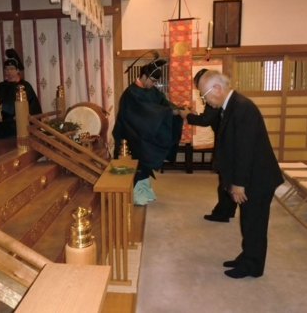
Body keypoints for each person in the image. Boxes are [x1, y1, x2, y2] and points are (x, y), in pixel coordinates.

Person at [197, 70, 283, 279]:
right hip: (252, 176)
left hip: (257, 179)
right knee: (248, 221)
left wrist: (238, 184)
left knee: (254, 223)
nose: (204, 100)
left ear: (217, 88)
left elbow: (245, 150)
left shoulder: (242, 108)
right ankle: (247, 257)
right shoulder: (232, 106)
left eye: (203, 94)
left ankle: (253, 266)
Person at [112, 50, 183, 205]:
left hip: (142, 132)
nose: (153, 84)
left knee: (145, 162)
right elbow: (146, 110)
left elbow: (163, 103)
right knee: (137, 163)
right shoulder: (131, 93)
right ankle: (136, 194)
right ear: (143, 77)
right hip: (130, 135)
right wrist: (170, 112)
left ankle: (145, 190)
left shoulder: (151, 90)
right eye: (152, 80)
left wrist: (178, 109)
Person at [179, 68, 237, 222]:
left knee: (224, 179)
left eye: (202, 91)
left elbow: (205, 120)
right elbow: (207, 117)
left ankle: (222, 213)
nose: (202, 96)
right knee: (227, 178)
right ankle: (229, 210)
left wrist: (187, 116)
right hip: (225, 137)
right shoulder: (224, 98)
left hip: (225, 139)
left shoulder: (217, 98)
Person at [0, 49, 42, 139]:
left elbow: (33, 105)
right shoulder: (1, 86)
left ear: (17, 70)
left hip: (17, 119)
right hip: (3, 119)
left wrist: (21, 115)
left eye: (12, 69)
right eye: (6, 69)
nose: (9, 72)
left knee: (15, 132)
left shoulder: (25, 85)